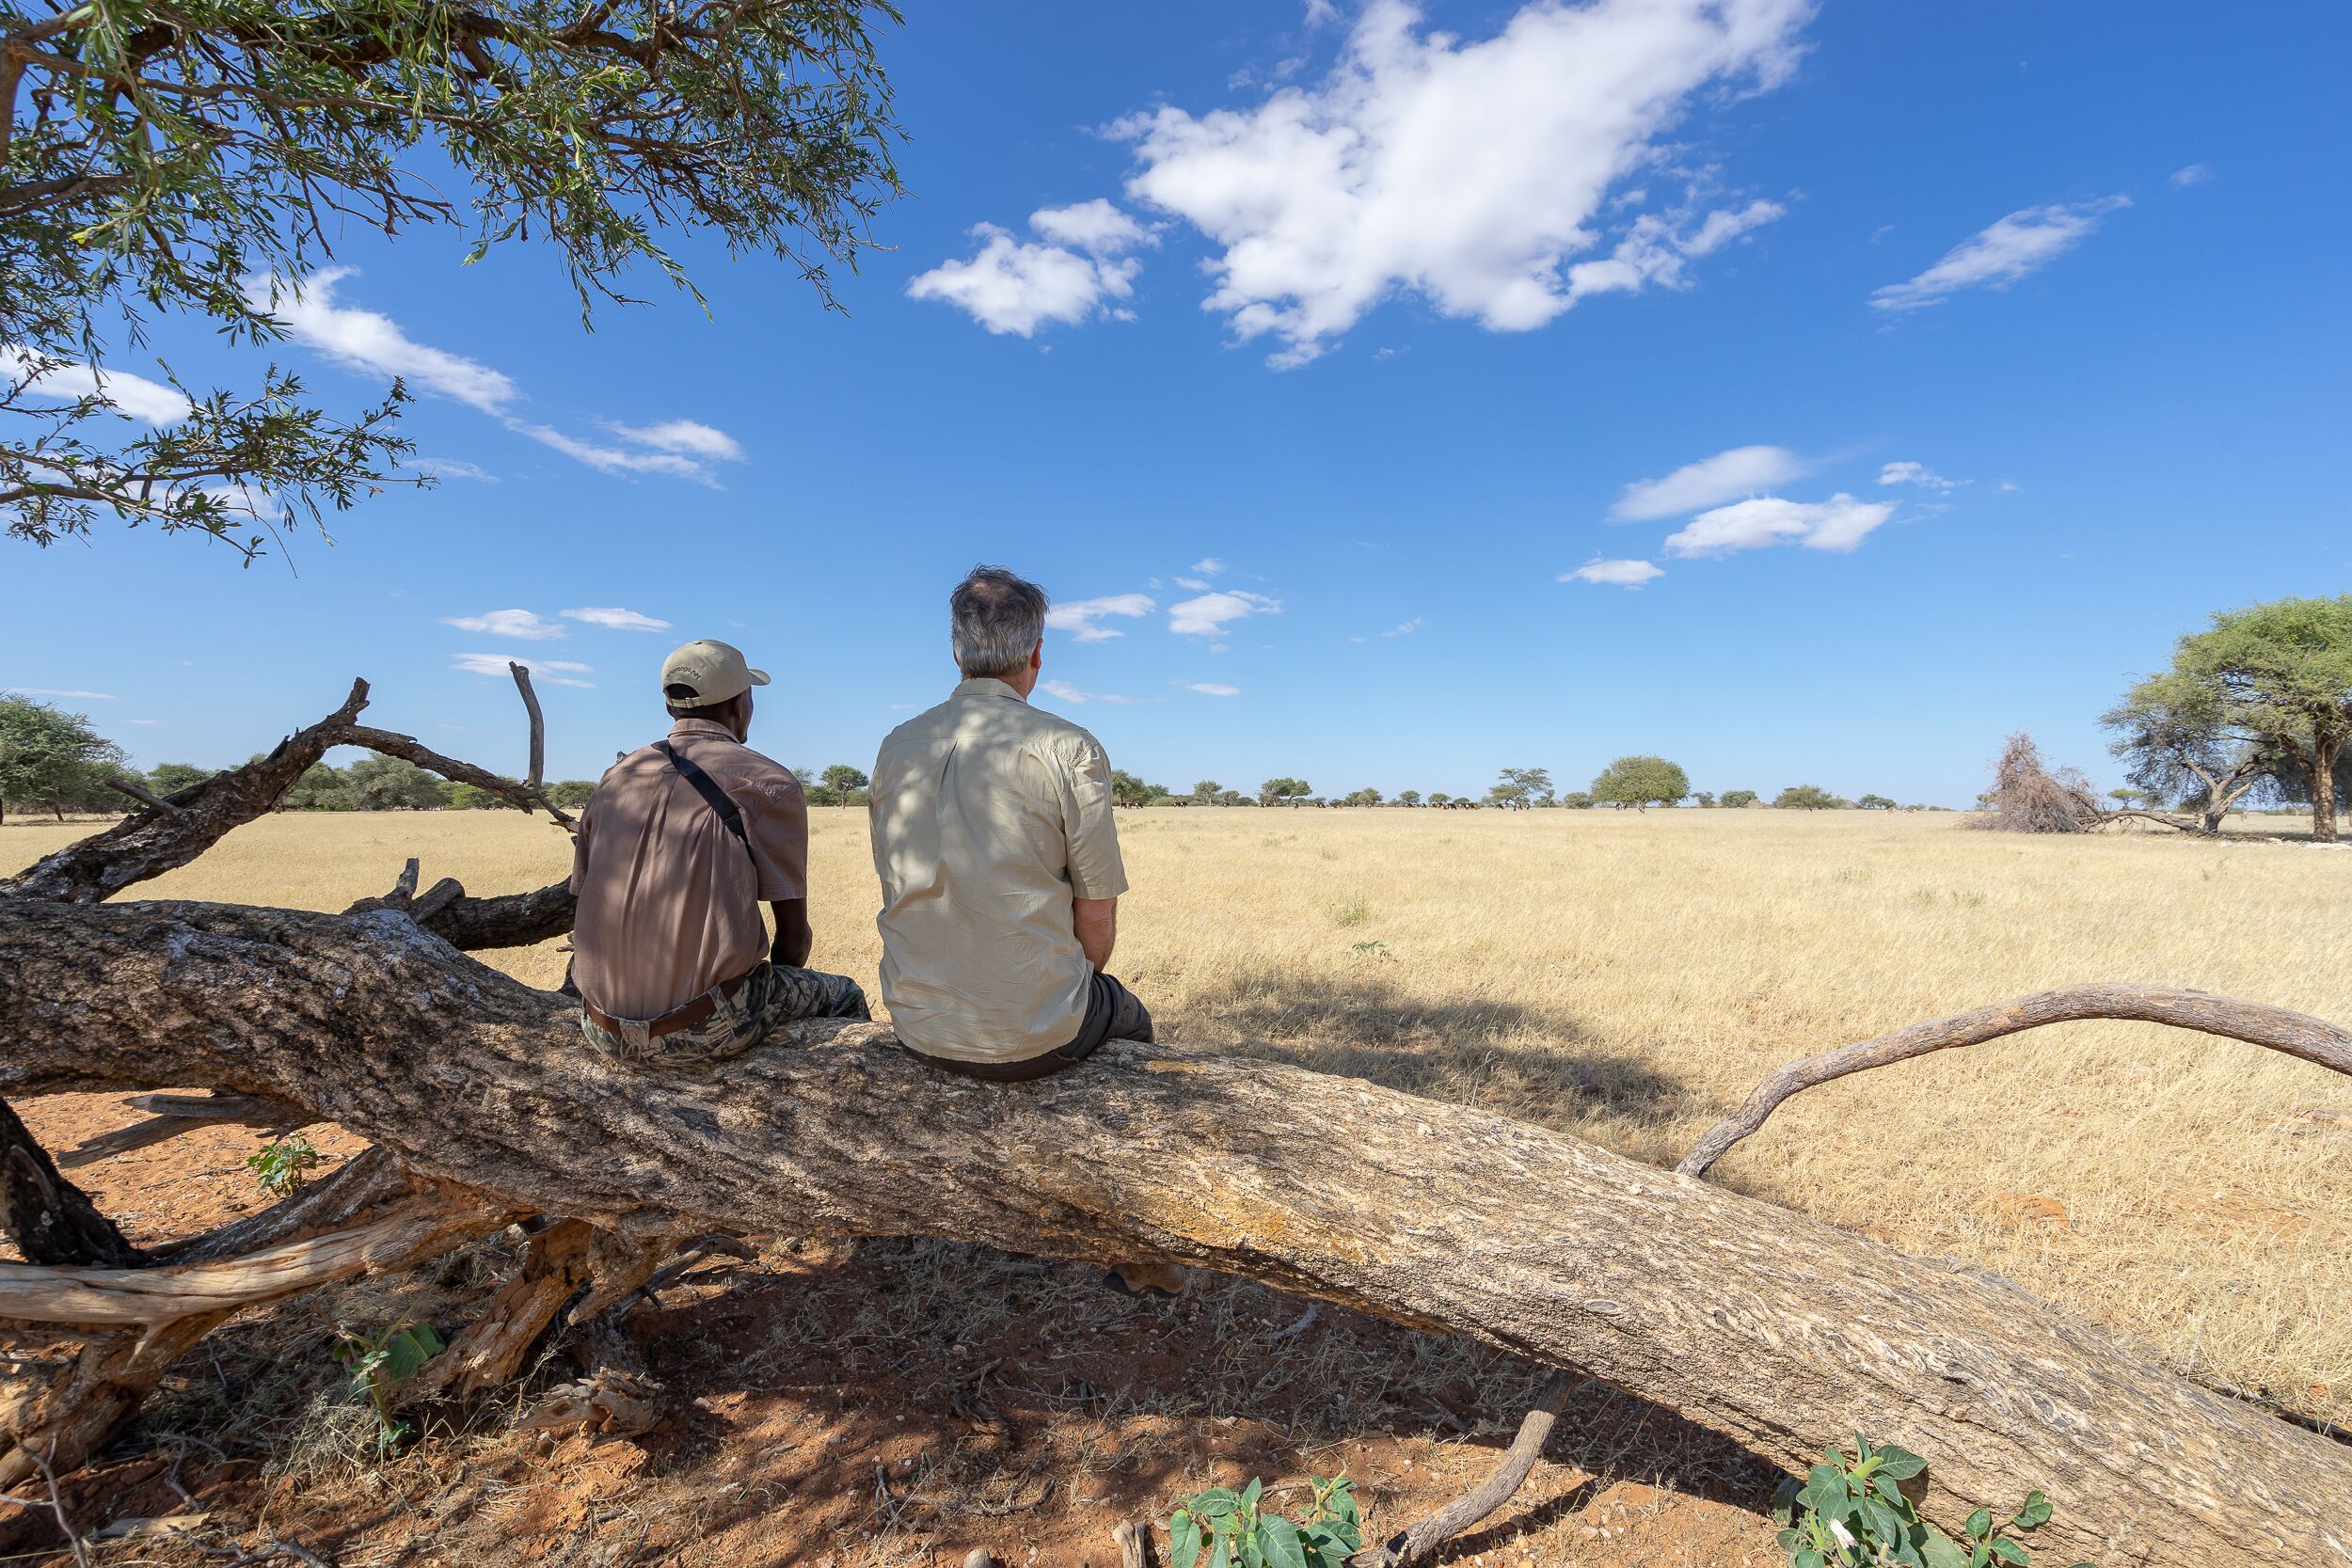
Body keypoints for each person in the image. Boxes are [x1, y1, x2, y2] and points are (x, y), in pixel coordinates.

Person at [869, 564, 1155, 1080]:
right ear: (1036, 654)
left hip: (914, 1024)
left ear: (957, 654)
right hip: (1036, 1036)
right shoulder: (1069, 747)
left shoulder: (897, 745)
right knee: (1133, 1018)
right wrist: (1057, 994)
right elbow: (1097, 912)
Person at [569, 637, 868, 1065]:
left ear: (671, 707)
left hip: (599, 1025)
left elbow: (584, 897)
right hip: (705, 1028)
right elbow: (794, 938)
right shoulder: (768, 782)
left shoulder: (616, 777)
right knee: (846, 995)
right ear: (740, 704)